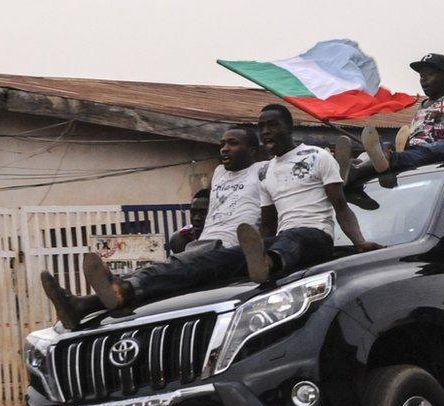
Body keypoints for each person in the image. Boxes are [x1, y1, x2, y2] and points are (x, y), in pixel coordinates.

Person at [40, 126, 266, 329]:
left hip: (228, 248)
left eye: (233, 143)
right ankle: (81, 305)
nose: (224, 149)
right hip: (202, 243)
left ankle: (108, 292)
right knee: (158, 275)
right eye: (222, 144)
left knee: (166, 271)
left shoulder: (262, 171)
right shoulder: (219, 173)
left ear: (254, 151)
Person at [239, 104, 382, 284]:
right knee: (222, 256)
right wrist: (259, 250)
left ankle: (270, 262)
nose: (266, 131)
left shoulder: (318, 156)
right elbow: (268, 226)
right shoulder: (264, 171)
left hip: (317, 237)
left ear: (289, 128)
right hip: (284, 242)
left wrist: (360, 242)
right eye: (262, 127)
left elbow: (341, 207)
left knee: (292, 237)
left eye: (273, 125)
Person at [345, 53, 444, 196]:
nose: (424, 79)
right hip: (414, 151)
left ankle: (361, 169)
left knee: (414, 154)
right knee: (381, 148)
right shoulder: (422, 105)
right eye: (421, 75)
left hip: (441, 150)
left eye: (430, 74)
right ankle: (356, 167)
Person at [169, 188, 210, 254]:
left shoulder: (227, 237)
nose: (196, 218)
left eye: (203, 212)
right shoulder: (181, 238)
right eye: (193, 212)